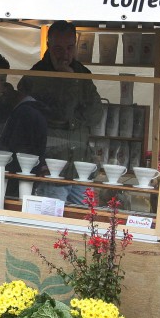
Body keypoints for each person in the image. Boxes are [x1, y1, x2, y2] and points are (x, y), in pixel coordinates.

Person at [19, 21, 103, 201]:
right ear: (48, 45)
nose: (64, 54)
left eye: (70, 48)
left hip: (80, 168)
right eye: (58, 48)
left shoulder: (82, 73)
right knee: (51, 218)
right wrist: (69, 82)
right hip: (50, 169)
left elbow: (96, 114)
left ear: (75, 45)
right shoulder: (37, 76)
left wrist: (73, 81)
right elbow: (60, 114)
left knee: (85, 218)